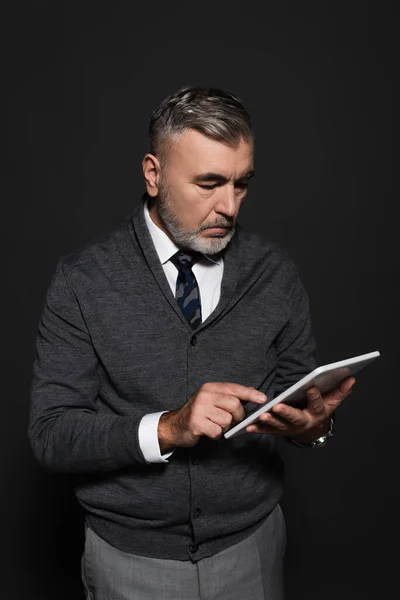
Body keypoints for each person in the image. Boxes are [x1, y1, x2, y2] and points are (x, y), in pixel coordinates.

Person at [28, 85, 355, 600]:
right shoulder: (83, 281)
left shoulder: (276, 274)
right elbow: (51, 434)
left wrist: (313, 428)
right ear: (153, 174)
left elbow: (297, 399)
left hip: (253, 551)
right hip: (129, 563)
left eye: (241, 184)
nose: (229, 206)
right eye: (208, 183)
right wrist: (169, 428)